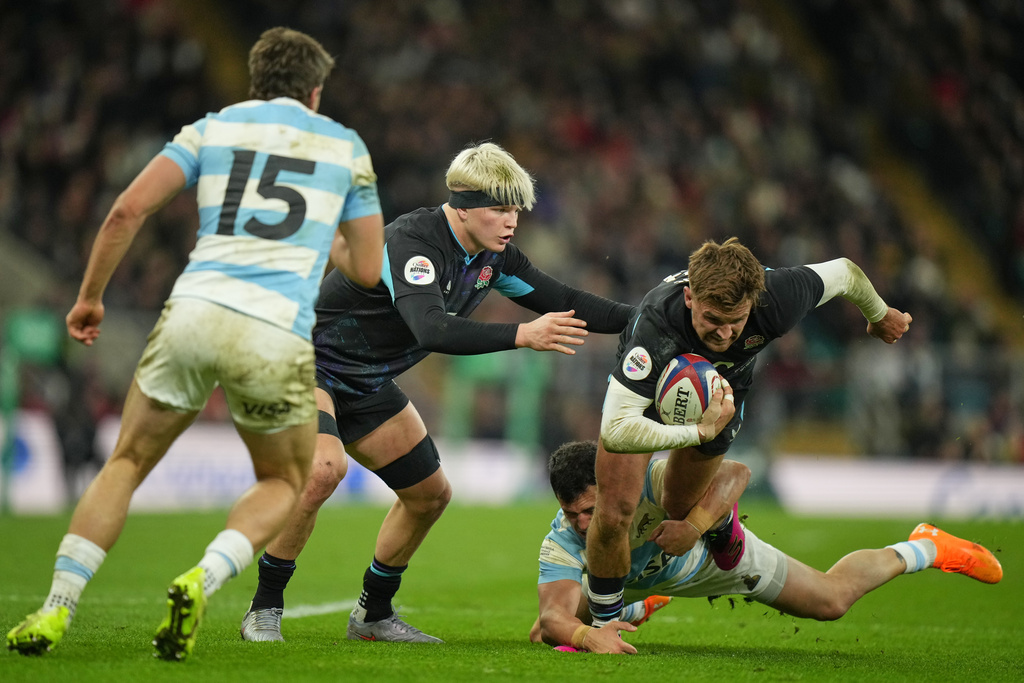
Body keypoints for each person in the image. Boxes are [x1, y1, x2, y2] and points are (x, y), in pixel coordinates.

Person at [6, 27, 385, 661]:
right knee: (284, 479)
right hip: (273, 331)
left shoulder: (213, 127)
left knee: (126, 462)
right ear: (316, 90)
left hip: (194, 311)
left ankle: (55, 607)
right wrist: (327, 240)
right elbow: (368, 268)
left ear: (256, 82)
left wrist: (90, 297)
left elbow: (126, 211)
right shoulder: (345, 146)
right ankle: (202, 578)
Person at [238, 141, 636, 644]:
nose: (511, 221)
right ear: (464, 207)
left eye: (516, 210)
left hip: (365, 383)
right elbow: (431, 328)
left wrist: (652, 318)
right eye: (500, 209)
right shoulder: (412, 243)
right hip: (305, 365)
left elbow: (567, 300)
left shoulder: (493, 257)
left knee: (429, 496)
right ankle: (264, 608)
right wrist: (522, 334)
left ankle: (372, 615)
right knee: (323, 470)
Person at [584, 238, 914, 629]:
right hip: (645, 393)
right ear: (689, 297)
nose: (724, 334)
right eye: (712, 319)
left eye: (736, 321)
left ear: (754, 303)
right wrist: (695, 433)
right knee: (614, 512)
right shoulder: (656, 326)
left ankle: (722, 523)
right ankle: (605, 625)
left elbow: (844, 272)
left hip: (722, 397)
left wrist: (879, 314)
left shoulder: (779, 297)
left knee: (679, 504)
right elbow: (617, 431)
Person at [531, 441, 1002, 654]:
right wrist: (584, 637)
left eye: (590, 510)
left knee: (831, 601)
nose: (582, 524)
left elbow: (736, 473)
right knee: (550, 630)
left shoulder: (651, 480)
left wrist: (694, 527)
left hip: (708, 560)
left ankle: (924, 547)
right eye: (571, 514)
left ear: (611, 486)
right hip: (630, 582)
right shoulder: (563, 541)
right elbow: (551, 619)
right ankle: (636, 608)